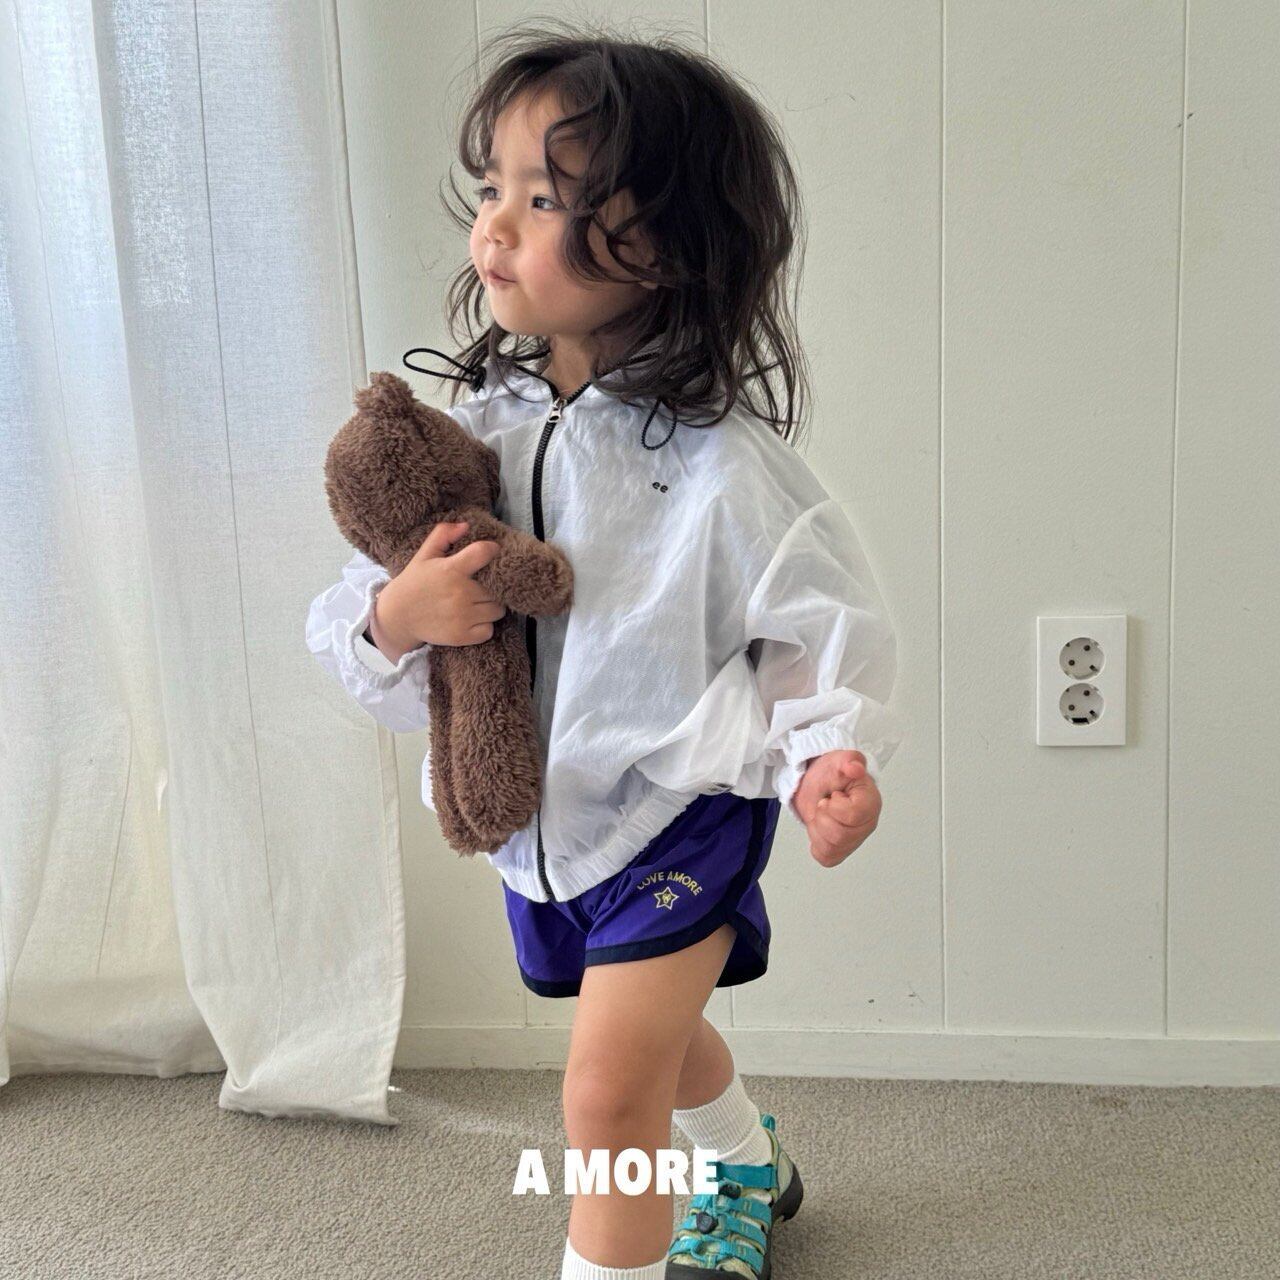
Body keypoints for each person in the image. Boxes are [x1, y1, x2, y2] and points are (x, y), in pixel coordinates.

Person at [306, 22, 905, 1280]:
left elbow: (809, 619)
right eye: (492, 188)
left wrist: (825, 755)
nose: (495, 225)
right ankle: (742, 1159)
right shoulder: (470, 435)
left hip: (678, 807)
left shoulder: (721, 462)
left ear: (664, 242)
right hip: (543, 820)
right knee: (646, 1044)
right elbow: (365, 616)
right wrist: (399, 617)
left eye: (545, 198)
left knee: (604, 1091)